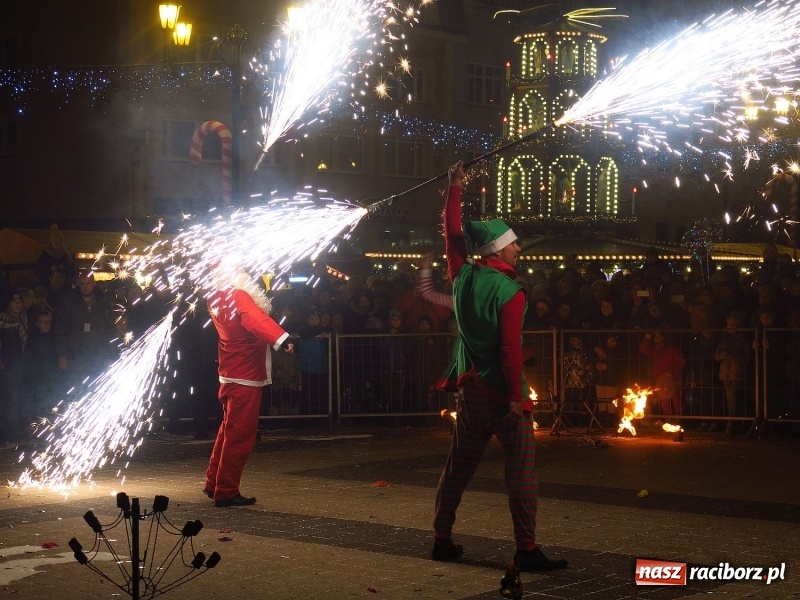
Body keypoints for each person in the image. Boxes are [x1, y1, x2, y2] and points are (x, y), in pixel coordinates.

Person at [432, 160, 567, 572]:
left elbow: (452, 235)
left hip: (470, 389)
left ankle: (442, 538)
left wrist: (453, 186)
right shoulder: (511, 291)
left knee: (458, 466)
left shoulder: (462, 275)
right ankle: (526, 548)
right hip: (501, 392)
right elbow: (510, 351)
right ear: (498, 249)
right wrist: (517, 398)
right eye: (514, 244)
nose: (518, 248)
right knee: (522, 472)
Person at [203, 270, 294, 507]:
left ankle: (214, 482)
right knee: (240, 436)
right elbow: (254, 319)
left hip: (230, 373)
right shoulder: (239, 295)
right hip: (246, 376)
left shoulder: (215, 297)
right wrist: (282, 338)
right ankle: (226, 490)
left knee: (227, 431)